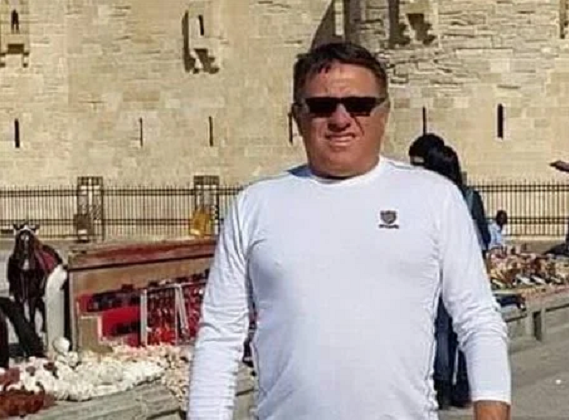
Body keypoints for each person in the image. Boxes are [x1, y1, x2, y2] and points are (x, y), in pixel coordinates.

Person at [187, 41, 511, 420]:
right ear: (297, 116)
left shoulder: (434, 198)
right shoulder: (255, 205)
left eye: (358, 105)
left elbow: (477, 317)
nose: (341, 119)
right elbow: (220, 335)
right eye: (322, 106)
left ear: (383, 114)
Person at [422, 143, 491, 410]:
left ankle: (442, 389)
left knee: (439, 331)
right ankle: (463, 388)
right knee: (466, 328)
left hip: (435, 273)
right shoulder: (470, 197)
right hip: (465, 271)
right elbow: (484, 236)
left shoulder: (428, 196)